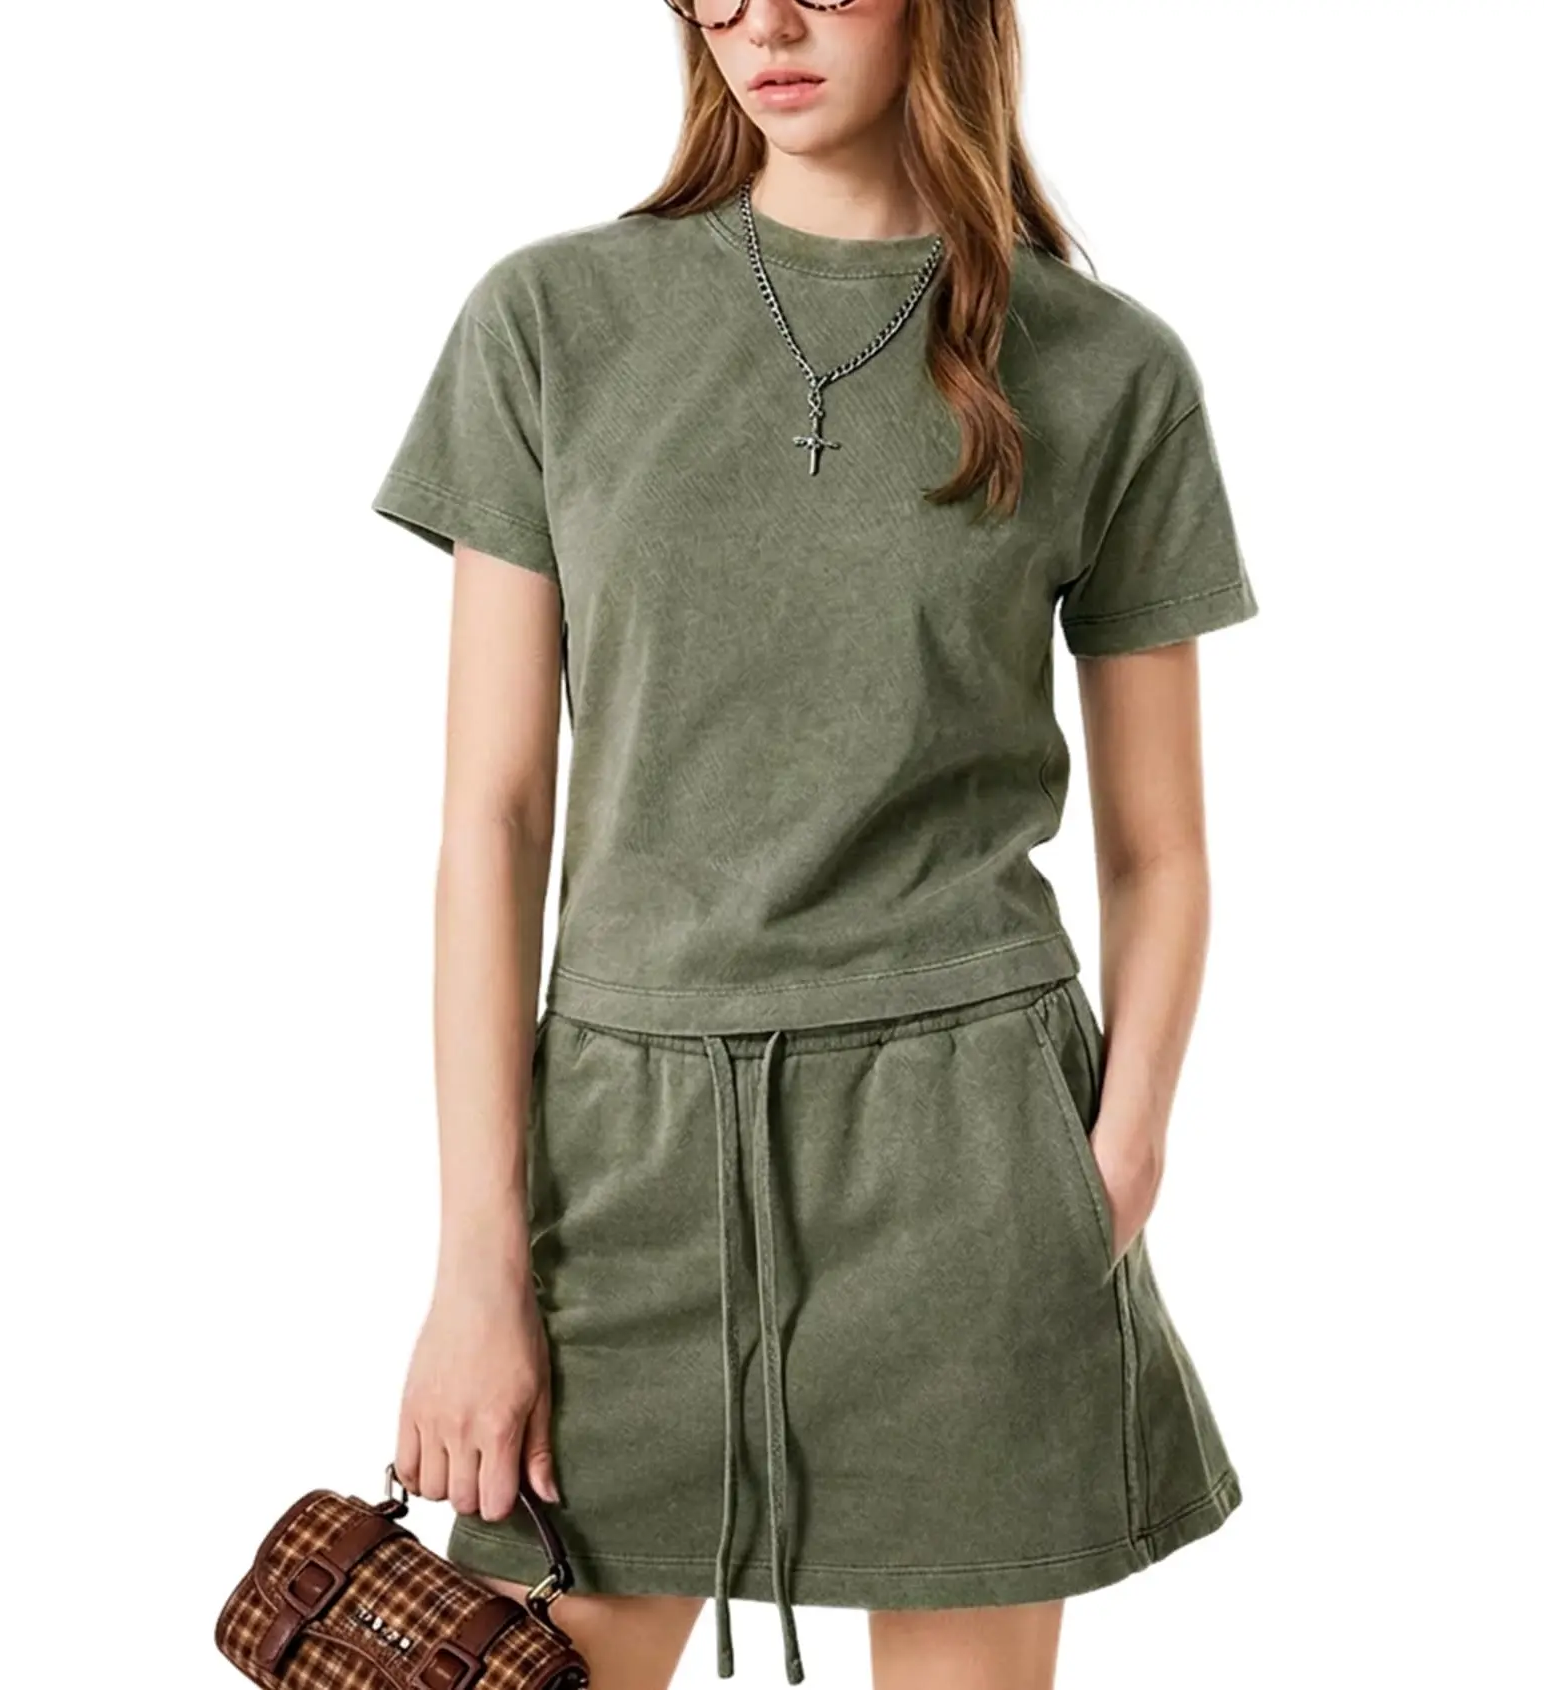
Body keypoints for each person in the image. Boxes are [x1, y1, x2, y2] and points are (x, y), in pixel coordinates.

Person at [372, 0, 1259, 1684]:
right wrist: (476, 1263)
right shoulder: (552, 321)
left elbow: (1162, 848)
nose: (761, 23)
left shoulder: (1103, 365)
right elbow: (491, 820)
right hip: (622, 1159)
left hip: (967, 1163)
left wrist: (1114, 1162)